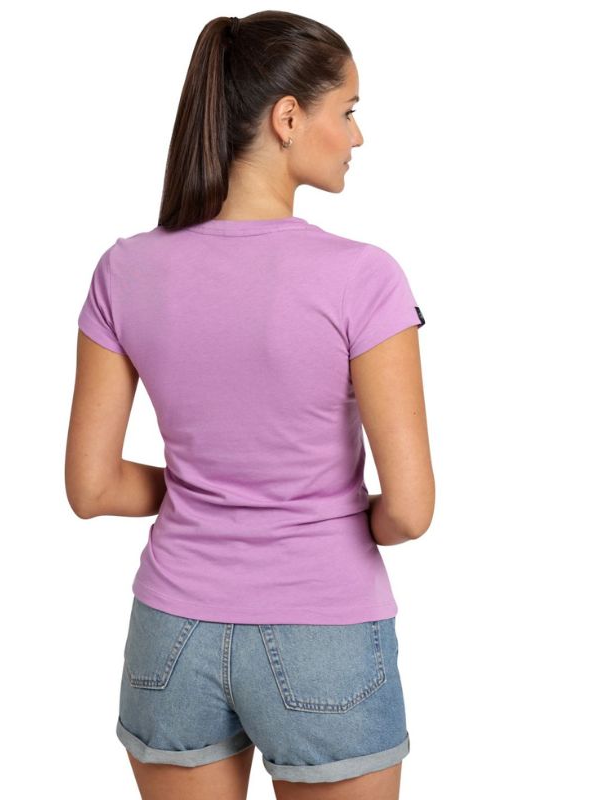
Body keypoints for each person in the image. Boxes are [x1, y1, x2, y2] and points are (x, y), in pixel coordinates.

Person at [65, 10, 434, 800]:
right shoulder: (363, 278)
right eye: (348, 111)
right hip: (325, 630)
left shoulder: (125, 271)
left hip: (171, 635)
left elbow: (91, 489)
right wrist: (319, 511)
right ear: (288, 118)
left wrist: (211, 486)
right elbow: (409, 511)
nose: (357, 136)